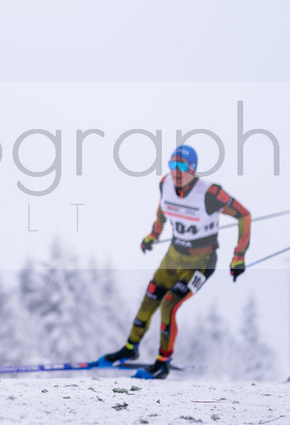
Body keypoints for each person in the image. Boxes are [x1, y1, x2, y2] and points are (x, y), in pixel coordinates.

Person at [98, 145, 251, 379]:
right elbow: (162, 209)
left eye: (182, 166)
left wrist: (238, 255)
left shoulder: (209, 193)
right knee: (150, 298)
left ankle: (163, 363)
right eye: (172, 165)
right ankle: (130, 349)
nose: (176, 171)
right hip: (173, 255)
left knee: (169, 304)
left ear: (194, 170)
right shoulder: (165, 184)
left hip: (201, 261)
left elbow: (243, 214)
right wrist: (153, 235)